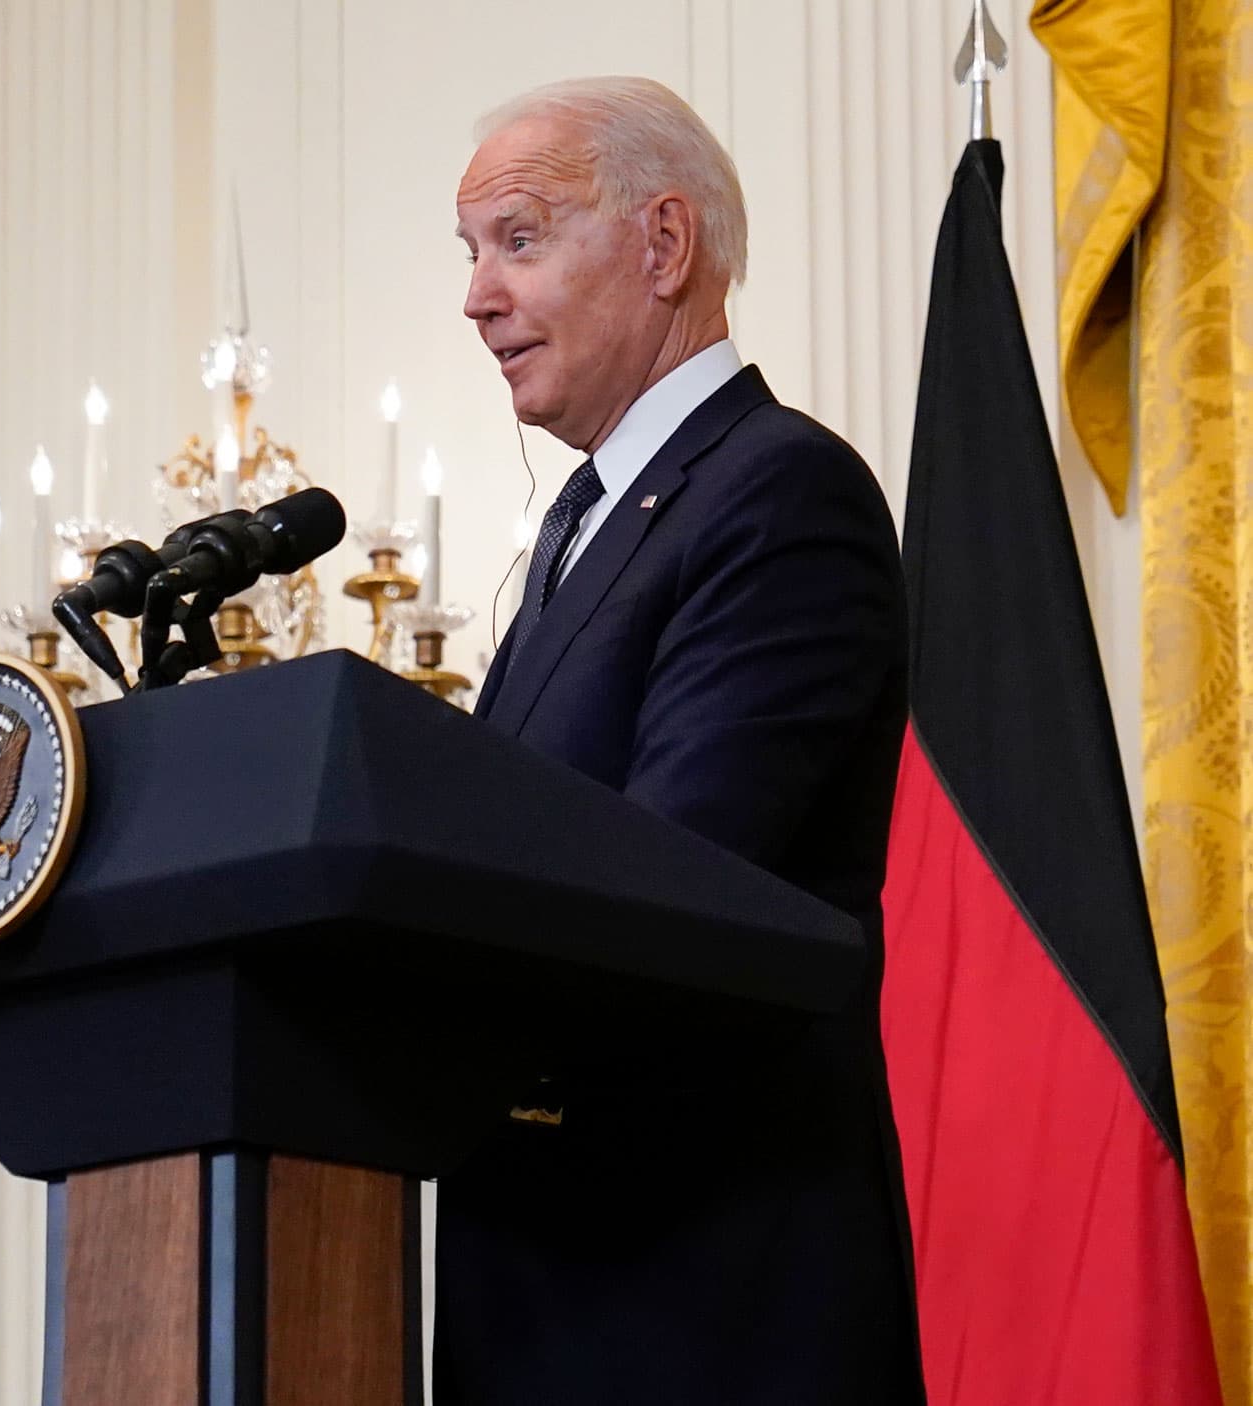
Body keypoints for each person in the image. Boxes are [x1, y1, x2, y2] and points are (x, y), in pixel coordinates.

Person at [439, 77, 923, 1404]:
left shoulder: (779, 489)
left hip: (704, 1299)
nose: (477, 295)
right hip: (543, 1287)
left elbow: (668, 881)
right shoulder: (578, 528)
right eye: (469, 251)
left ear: (664, 246)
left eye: (518, 239)